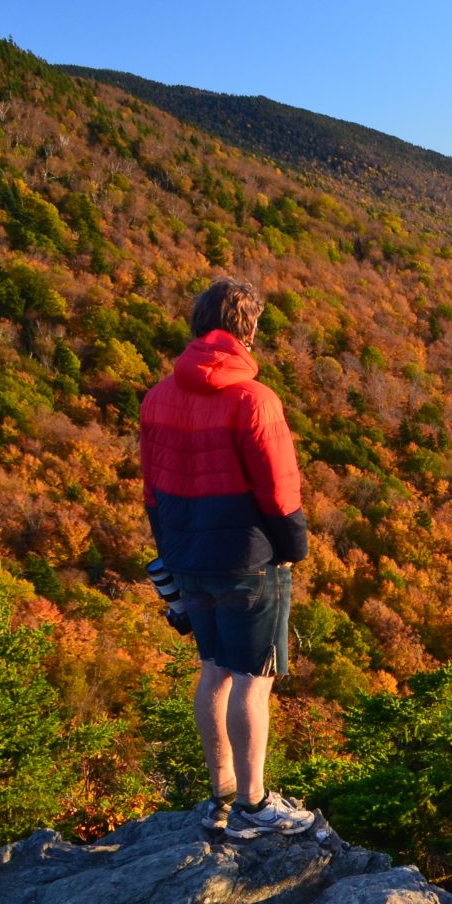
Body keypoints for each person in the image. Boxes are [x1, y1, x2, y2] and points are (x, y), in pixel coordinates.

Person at [139, 277, 316, 841]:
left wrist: (169, 549)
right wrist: (293, 550)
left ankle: (218, 797)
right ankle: (254, 805)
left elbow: (152, 489)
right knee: (252, 678)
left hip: (187, 553)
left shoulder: (158, 396)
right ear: (249, 329)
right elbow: (279, 489)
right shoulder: (253, 399)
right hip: (248, 557)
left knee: (213, 671)